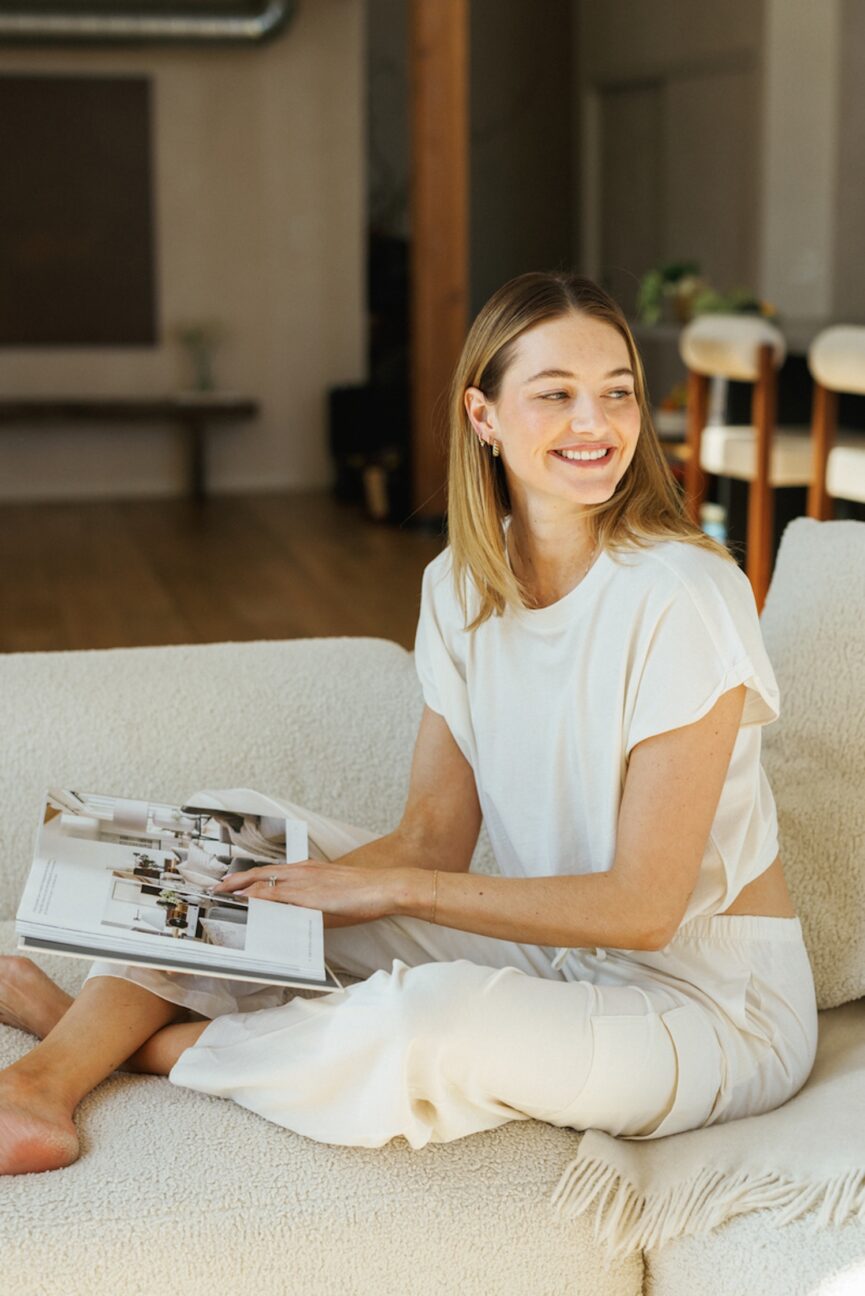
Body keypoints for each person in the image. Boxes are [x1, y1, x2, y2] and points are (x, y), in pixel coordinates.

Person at [0, 272, 818, 1176]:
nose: (598, 423)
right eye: (555, 395)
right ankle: (45, 1081)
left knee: (421, 1023)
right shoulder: (460, 584)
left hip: (709, 1008)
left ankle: (108, 1034)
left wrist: (386, 893)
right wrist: (293, 889)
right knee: (221, 837)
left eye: (617, 392)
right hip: (551, 950)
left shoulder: (684, 592)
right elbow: (432, 837)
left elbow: (641, 908)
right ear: (484, 416)